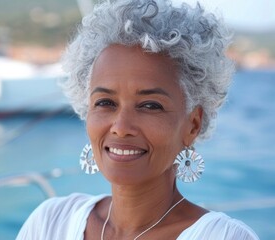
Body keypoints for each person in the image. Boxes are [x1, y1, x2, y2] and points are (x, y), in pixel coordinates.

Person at [17, 0, 259, 239]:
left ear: (192, 125)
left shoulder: (223, 237)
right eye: (105, 103)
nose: (121, 128)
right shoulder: (50, 223)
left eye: (150, 105)